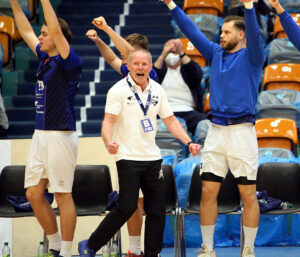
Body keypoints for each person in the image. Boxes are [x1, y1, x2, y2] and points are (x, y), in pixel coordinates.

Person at [161, 0, 265, 256]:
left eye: (227, 32)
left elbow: (254, 32)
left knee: (248, 194)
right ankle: (208, 248)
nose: (221, 35)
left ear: (241, 35)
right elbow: (192, 32)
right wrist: (172, 5)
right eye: (221, 32)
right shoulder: (215, 53)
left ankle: (248, 250)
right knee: (208, 190)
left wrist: (249, 7)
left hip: (242, 132)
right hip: (216, 131)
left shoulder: (253, 57)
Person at [78, 48, 201, 257]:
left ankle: (152, 254)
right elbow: (108, 121)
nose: (140, 68)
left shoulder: (157, 90)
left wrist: (188, 141)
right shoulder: (118, 90)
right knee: (126, 206)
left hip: (152, 158)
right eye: (136, 64)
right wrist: (108, 141)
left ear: (151, 67)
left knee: (157, 210)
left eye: (145, 64)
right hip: (127, 157)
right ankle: (90, 245)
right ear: (128, 66)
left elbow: (170, 120)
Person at [10, 1, 82, 257]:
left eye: (45, 32)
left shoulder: (69, 61)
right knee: (33, 193)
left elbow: (56, 31)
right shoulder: (45, 57)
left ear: (57, 36)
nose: (40, 35)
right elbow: (25, 31)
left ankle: (67, 251)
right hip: (40, 134)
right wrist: (14, 4)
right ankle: (54, 244)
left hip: (60, 134)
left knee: (62, 195)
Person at [86, 17, 157, 257]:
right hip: (127, 150)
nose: (124, 60)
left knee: (143, 204)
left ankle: (143, 250)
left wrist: (106, 29)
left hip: (145, 150)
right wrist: (98, 41)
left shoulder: (148, 71)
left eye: (127, 54)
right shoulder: (128, 72)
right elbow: (111, 57)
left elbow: (125, 52)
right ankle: (135, 249)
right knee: (131, 203)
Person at [154, 38, 207, 135]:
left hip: (189, 113)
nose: (171, 53)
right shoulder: (161, 71)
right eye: (169, 51)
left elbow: (197, 75)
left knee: (205, 123)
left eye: (174, 51)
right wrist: (163, 54)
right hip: (165, 113)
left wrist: (181, 52)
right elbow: (149, 79)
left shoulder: (187, 69)